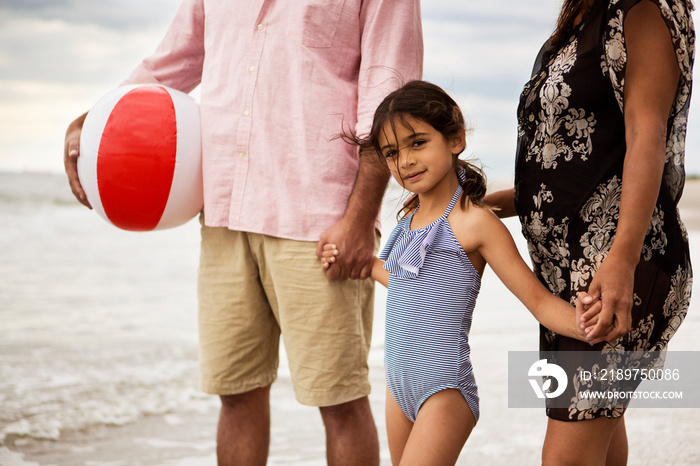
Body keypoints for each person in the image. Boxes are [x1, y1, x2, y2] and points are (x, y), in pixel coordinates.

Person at [62, 1, 423, 464]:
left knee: (340, 399)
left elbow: (386, 98)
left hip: (318, 220)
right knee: (235, 392)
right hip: (224, 214)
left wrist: (358, 219)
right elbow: (174, 61)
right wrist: (95, 119)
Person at [321, 80, 601, 465]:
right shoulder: (409, 219)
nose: (405, 161)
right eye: (391, 153)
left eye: (417, 143)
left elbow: (538, 302)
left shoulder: (477, 223)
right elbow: (410, 284)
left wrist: (586, 324)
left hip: (444, 389)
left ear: (454, 139)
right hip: (397, 386)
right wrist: (363, 265)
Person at [486, 0, 694, 464]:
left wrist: (620, 262)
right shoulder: (581, 19)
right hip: (569, 280)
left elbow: (647, 133)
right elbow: (568, 172)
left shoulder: (641, 9)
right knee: (599, 430)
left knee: (567, 456)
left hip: (615, 268)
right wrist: (481, 208)